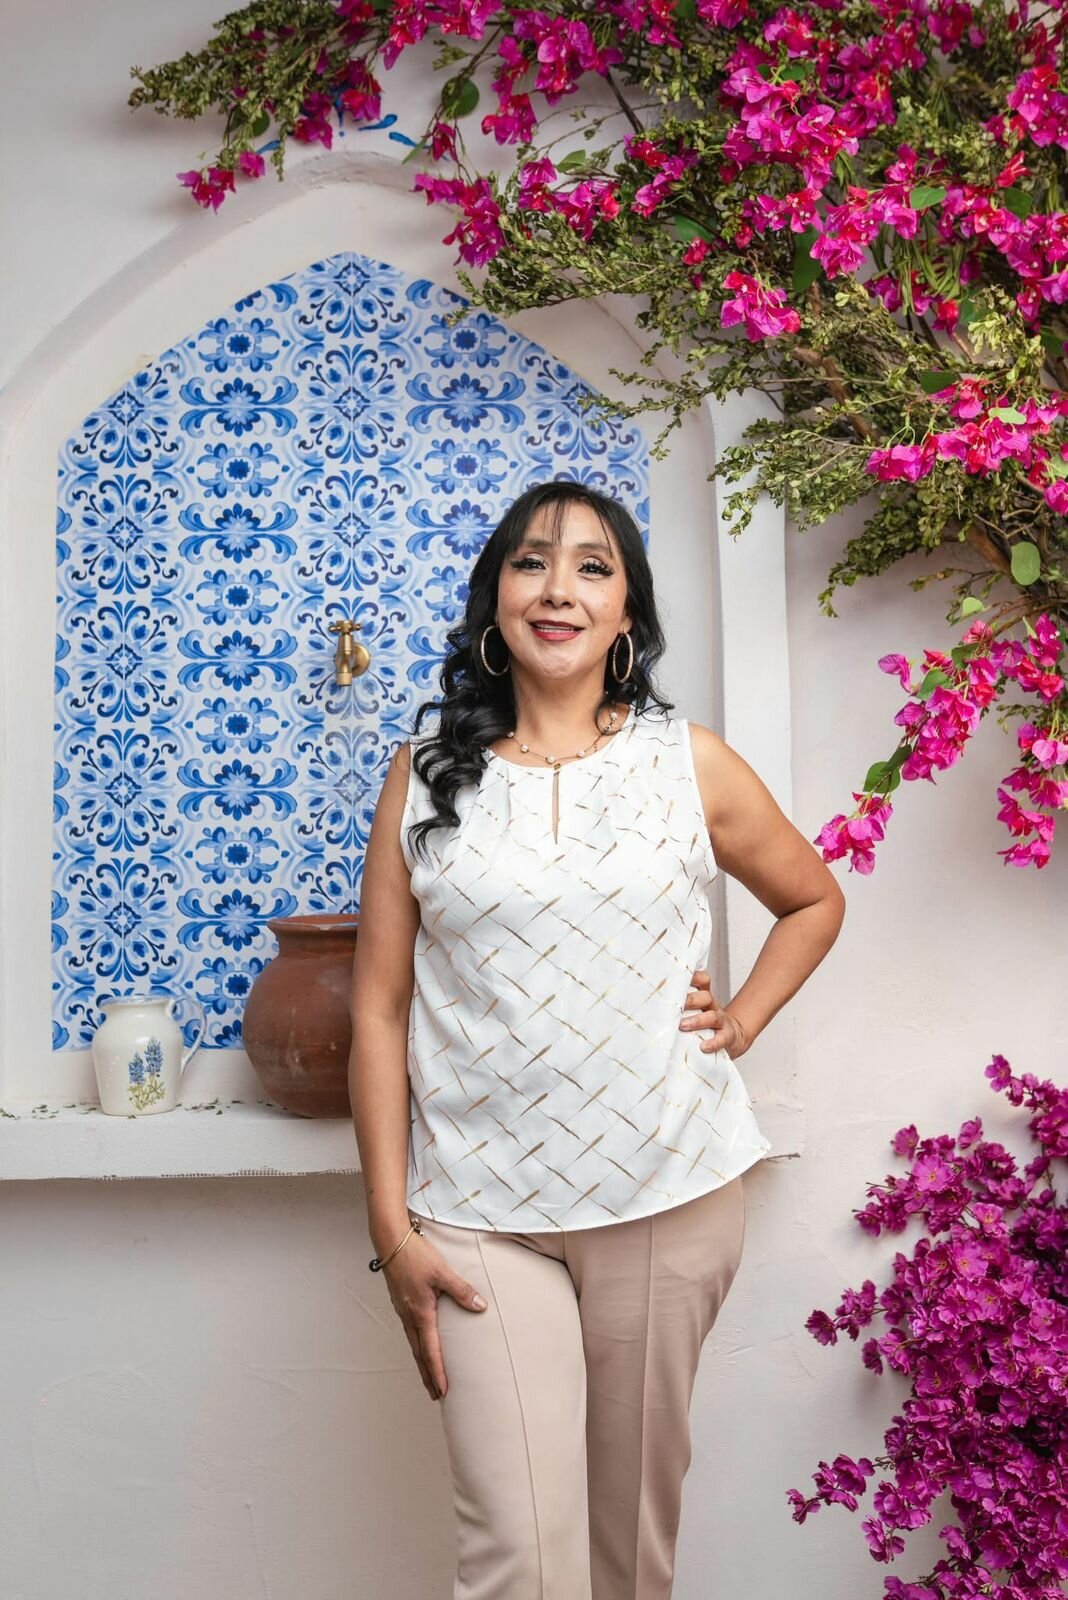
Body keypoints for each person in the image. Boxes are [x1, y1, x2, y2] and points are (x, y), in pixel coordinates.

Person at [349, 479, 845, 1600]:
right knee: (520, 1559)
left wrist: (743, 1018)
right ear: (496, 600)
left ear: (628, 612)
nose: (557, 588)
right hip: (476, 1212)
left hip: (667, 1193)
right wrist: (391, 1224)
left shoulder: (688, 761)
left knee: (626, 1557)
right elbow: (376, 1007)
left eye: (591, 566)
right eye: (530, 563)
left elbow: (814, 899)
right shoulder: (422, 777)